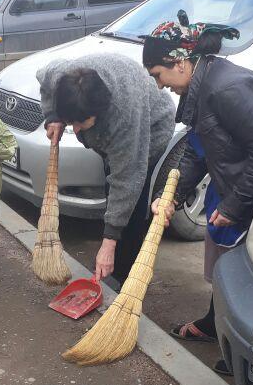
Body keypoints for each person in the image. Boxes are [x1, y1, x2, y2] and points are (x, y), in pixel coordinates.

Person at [143, 12, 253, 372]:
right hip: (247, 179)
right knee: (223, 253)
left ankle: (251, 355)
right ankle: (215, 322)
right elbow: (197, 148)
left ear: (179, 62)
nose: (159, 86)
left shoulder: (226, 89)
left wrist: (236, 205)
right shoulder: (203, 86)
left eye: (158, 75)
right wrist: (170, 194)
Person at [38, 53, 175, 283]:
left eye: (81, 123)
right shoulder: (63, 74)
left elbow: (127, 179)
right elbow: (44, 81)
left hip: (152, 128)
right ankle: (110, 252)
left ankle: (122, 273)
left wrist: (109, 241)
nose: (78, 130)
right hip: (113, 129)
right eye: (73, 123)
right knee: (112, 187)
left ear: (100, 111)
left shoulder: (124, 113)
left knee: (130, 199)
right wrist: (53, 116)